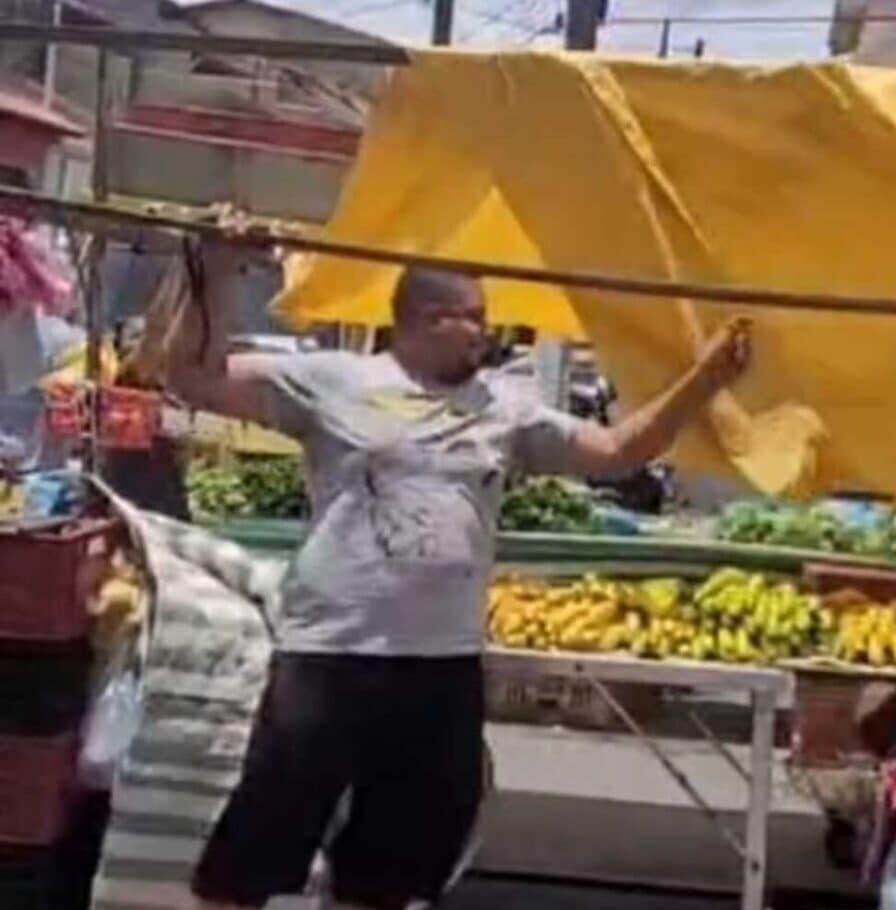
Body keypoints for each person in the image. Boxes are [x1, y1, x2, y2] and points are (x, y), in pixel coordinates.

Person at [168, 239, 752, 910]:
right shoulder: (334, 380)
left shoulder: (504, 407)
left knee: (391, 870)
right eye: (468, 316)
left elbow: (620, 452)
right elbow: (190, 375)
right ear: (418, 318)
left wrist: (705, 379)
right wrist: (212, 271)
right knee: (258, 846)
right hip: (331, 655)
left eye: (484, 316)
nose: (484, 330)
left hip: (440, 666)